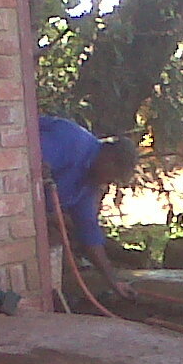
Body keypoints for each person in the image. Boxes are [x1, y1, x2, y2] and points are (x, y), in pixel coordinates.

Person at [38, 115, 138, 300]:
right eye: (113, 176)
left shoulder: (87, 187)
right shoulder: (71, 142)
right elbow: (26, 162)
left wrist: (114, 281)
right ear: (108, 158)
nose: (109, 183)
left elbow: (89, 232)